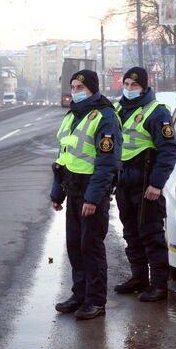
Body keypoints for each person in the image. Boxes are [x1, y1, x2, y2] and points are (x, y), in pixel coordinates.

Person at [51, 69, 122, 320]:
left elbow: (107, 162)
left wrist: (93, 198)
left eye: (80, 88)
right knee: (74, 247)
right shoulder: (73, 116)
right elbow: (63, 157)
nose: (75, 92)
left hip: (92, 193)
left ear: (92, 89)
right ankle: (79, 294)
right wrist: (56, 193)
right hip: (73, 190)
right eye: (73, 87)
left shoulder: (105, 116)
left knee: (90, 248)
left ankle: (95, 301)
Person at [112, 67, 176, 302]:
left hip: (146, 185)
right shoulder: (118, 109)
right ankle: (138, 277)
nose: (129, 89)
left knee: (151, 235)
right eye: (127, 84)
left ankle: (159, 285)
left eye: (134, 85)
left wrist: (157, 184)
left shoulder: (157, 112)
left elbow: (168, 151)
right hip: (124, 183)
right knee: (130, 233)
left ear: (144, 86)